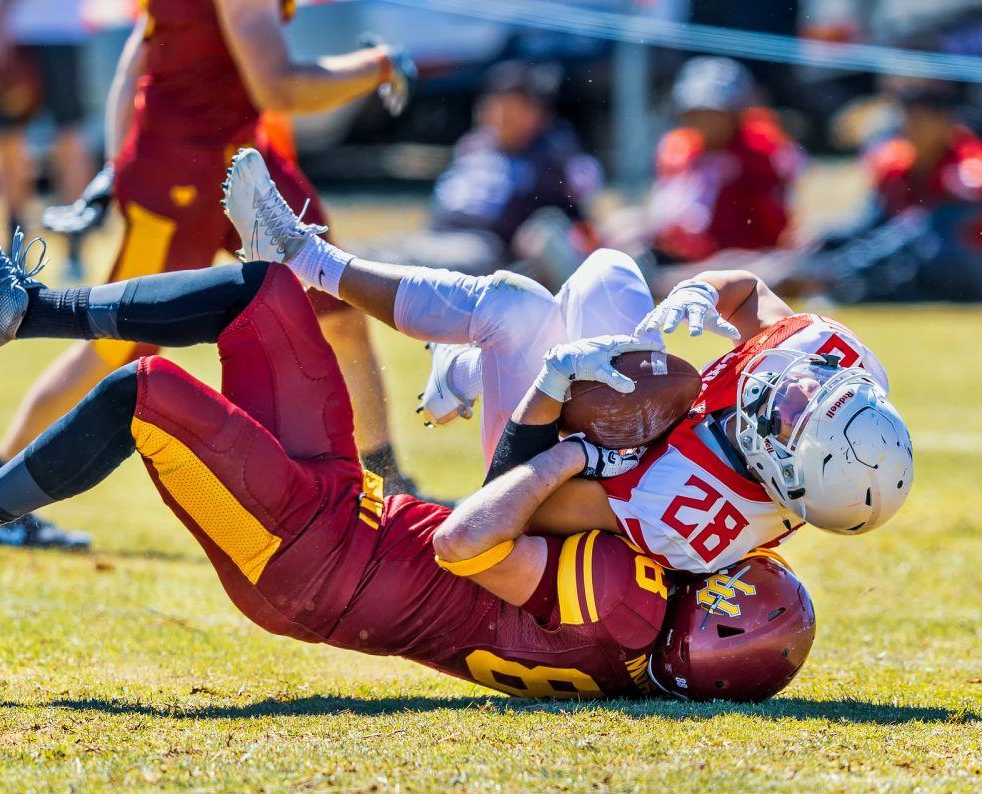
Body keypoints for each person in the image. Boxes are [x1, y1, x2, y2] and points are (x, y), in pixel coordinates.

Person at [0, 179, 814, 703]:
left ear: (703, 634)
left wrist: (564, 445)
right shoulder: (650, 602)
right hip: (353, 511)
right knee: (263, 291)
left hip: (311, 559)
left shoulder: (632, 611)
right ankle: (23, 305)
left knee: (144, 392)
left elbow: (472, 543)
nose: (719, 558)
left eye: (728, 580)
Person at [221, 147, 914, 574]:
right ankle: (459, 370)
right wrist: (704, 288)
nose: (790, 386)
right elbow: (755, 300)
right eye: (809, 393)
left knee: (513, 307)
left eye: (791, 415)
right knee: (609, 273)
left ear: (778, 468)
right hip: (628, 423)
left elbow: (533, 507)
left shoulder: (695, 515)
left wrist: (562, 409)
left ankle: (304, 259)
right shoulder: (835, 367)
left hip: (545, 465)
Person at [0, 0, 419, 548]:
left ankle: (388, 488)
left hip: (245, 161)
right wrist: (378, 65)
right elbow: (278, 87)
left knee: (340, 305)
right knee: (118, 348)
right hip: (177, 175)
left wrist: (116, 163)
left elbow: (141, 51)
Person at [359, 60, 602, 289]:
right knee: (381, 249)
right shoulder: (475, 145)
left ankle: (343, 270)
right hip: (440, 234)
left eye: (512, 108)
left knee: (396, 261)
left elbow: (566, 216)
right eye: (496, 106)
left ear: (535, 114)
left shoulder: (549, 155)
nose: (501, 116)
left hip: (486, 247)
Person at [814, 79, 982, 301]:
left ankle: (836, 279)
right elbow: (872, 225)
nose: (911, 129)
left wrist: (847, 265)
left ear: (945, 123)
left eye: (920, 121)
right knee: (829, 240)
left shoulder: (968, 165)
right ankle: (818, 275)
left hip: (966, 269)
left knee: (924, 228)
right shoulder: (896, 163)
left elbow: (926, 232)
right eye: (908, 120)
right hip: (912, 262)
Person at [640, 57, 803, 269]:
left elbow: (770, 223)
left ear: (735, 115)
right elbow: (665, 209)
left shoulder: (759, 152)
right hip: (683, 252)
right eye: (696, 115)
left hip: (742, 255)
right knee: (627, 229)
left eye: (713, 115)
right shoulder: (678, 148)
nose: (704, 124)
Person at [0, 0, 95, 279]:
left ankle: (17, 247)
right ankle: (69, 247)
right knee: (64, 138)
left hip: (22, 32)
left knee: (20, 142)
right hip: (61, 32)